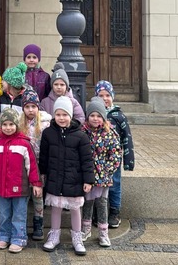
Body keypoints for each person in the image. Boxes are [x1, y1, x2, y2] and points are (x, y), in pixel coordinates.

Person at [39, 95, 94, 256]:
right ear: (54, 115)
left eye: (65, 115)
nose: (61, 118)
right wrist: (42, 173)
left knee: (75, 208)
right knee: (56, 207)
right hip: (55, 177)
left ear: (70, 115)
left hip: (74, 179)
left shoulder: (81, 136)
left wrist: (88, 180)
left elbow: (87, 160)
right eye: (58, 114)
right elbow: (44, 156)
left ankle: (77, 237)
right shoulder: (48, 133)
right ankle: (54, 235)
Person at [0, 108, 43, 254]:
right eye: (5, 124)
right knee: (4, 214)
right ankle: (3, 236)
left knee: (19, 214)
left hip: (20, 188)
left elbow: (32, 166)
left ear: (17, 125)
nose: (8, 128)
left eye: (11, 124)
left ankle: (18, 238)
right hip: (1, 188)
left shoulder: (24, 144)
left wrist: (36, 183)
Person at [81, 96, 122, 247]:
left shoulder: (110, 133)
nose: (95, 118)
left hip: (103, 176)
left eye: (98, 116)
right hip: (87, 175)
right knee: (87, 203)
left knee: (102, 203)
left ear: (103, 117)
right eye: (92, 115)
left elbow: (115, 154)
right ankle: (85, 229)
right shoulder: (82, 132)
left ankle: (103, 233)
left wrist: (106, 171)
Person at [95, 80, 135, 229]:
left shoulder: (119, 116)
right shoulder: (94, 114)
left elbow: (127, 139)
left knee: (114, 184)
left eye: (107, 95)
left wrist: (129, 161)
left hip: (114, 159)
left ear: (112, 96)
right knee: (97, 185)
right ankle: (99, 213)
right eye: (101, 95)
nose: (104, 98)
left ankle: (114, 212)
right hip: (97, 159)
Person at [18, 88, 51, 241]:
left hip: (38, 164)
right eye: (27, 107)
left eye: (33, 106)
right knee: (23, 195)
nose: (30, 110)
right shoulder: (19, 123)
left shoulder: (45, 123)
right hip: (22, 165)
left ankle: (38, 224)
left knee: (38, 196)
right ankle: (21, 224)